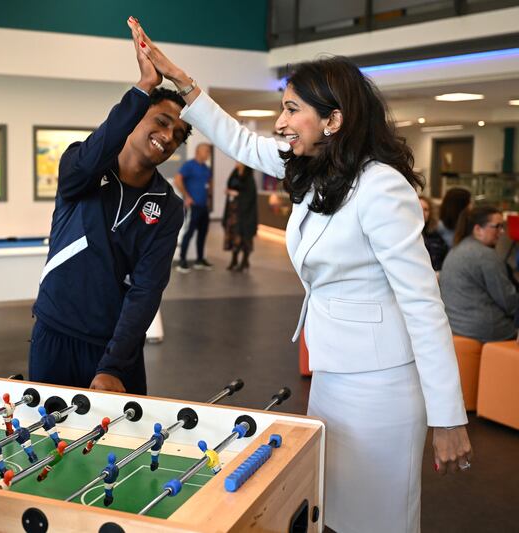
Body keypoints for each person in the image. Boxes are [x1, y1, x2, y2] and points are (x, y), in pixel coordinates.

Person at [128, 19, 471, 533]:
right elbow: (240, 141)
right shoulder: (314, 170)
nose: (281, 122)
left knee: (378, 518)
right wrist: (182, 82)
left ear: (332, 120)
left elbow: (424, 304)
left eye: (292, 109)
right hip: (331, 372)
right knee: (331, 507)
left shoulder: (381, 187)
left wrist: (449, 417)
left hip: (383, 385)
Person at [29, 25, 191, 395]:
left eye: (178, 135)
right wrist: (143, 88)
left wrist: (114, 365)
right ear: (135, 119)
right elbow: (93, 156)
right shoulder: (81, 170)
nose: (168, 137)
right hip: (54, 334)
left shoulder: (168, 207)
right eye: (162, 122)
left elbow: (147, 290)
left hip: (114, 351)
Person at [440, 206, 518, 342]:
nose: (502, 231)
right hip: (485, 331)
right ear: (478, 230)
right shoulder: (486, 255)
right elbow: (509, 301)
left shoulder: (456, 249)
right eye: (497, 226)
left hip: (455, 328)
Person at [175, 142, 213, 272]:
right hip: (193, 207)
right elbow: (178, 179)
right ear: (198, 152)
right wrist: (187, 197)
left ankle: (200, 260)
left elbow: (208, 184)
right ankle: (182, 261)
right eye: (206, 151)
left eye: (209, 151)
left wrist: (208, 199)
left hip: (203, 207)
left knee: (202, 234)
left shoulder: (206, 168)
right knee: (188, 233)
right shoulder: (189, 165)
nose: (208, 154)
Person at [223, 162, 258, 272]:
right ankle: (234, 260)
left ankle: (244, 261)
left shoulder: (249, 178)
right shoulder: (234, 174)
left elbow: (250, 195)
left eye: (238, 161)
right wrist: (229, 192)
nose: (236, 162)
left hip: (245, 213)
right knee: (234, 235)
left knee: (244, 236)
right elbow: (230, 186)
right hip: (233, 211)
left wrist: (236, 194)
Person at [419, 195, 448, 272]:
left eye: (426, 209)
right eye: (419, 208)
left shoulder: (436, 237)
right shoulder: (406, 235)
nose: (423, 213)